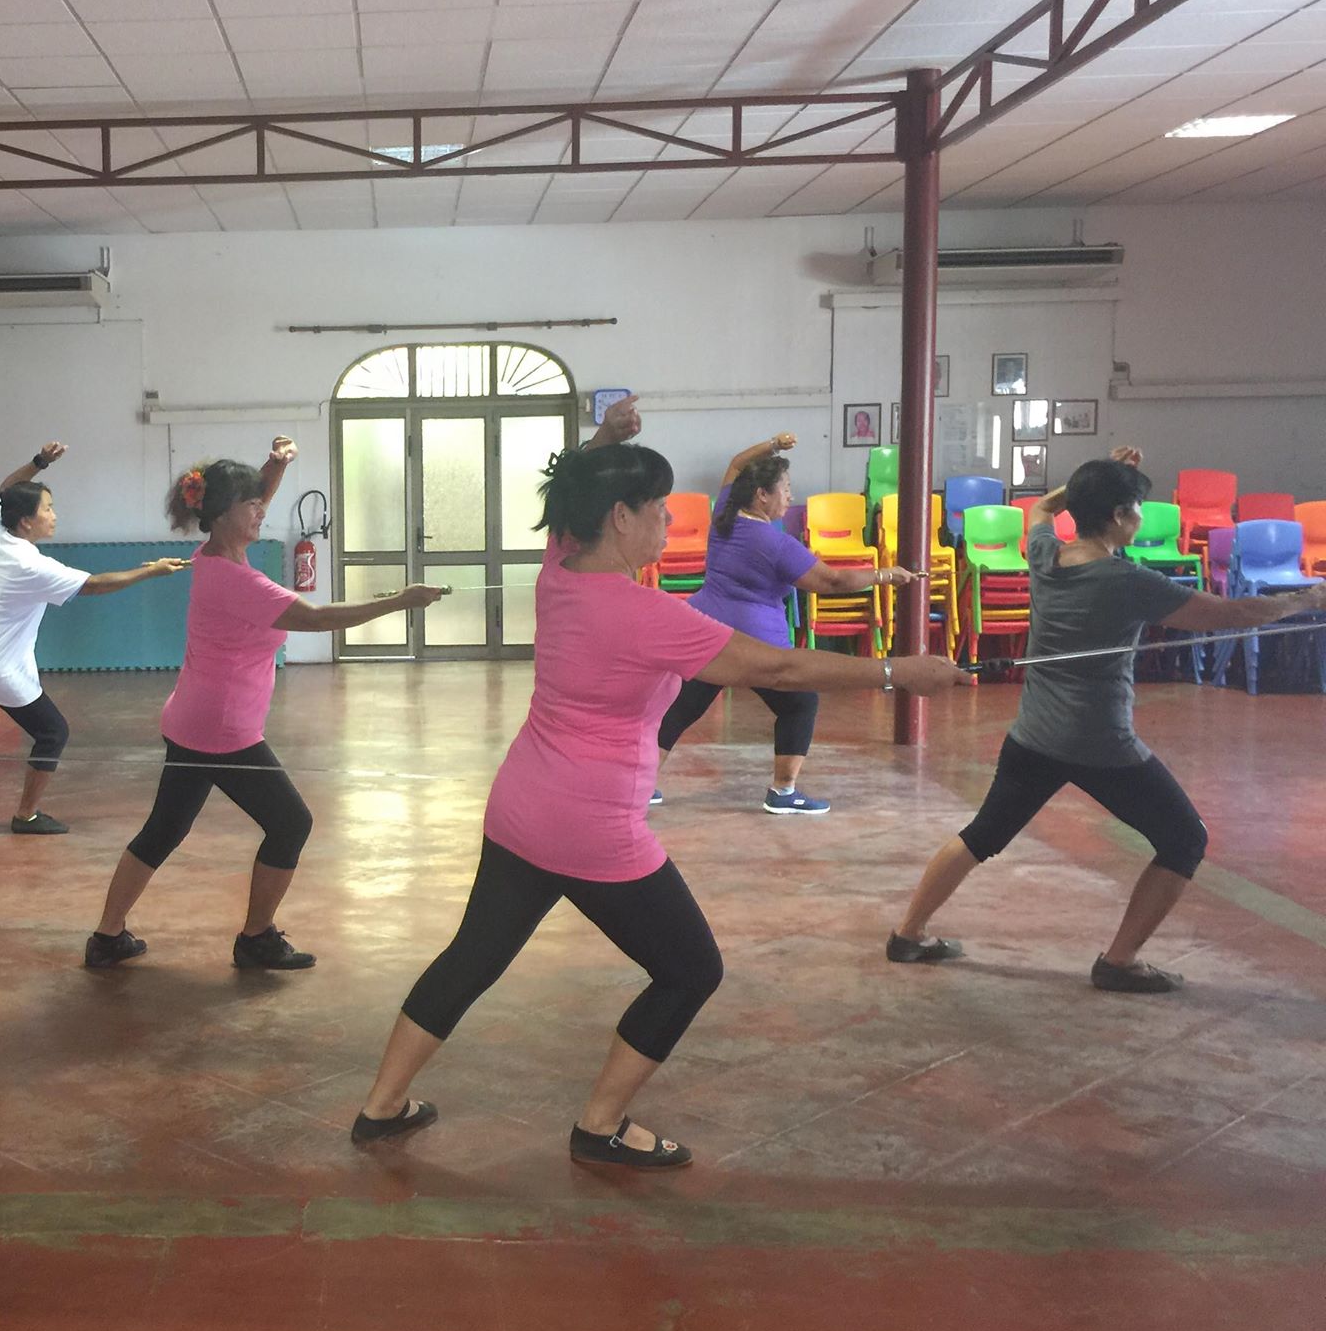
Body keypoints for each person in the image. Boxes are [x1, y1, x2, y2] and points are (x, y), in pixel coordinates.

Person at [350, 397, 969, 1167]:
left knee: (471, 957)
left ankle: (382, 1107)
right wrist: (898, 672)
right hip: (593, 827)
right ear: (620, 517)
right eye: (657, 509)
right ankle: (601, 1125)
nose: (670, 523)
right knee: (690, 970)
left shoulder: (559, 571)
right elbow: (777, 667)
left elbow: (572, 496)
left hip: (521, 808)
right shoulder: (645, 614)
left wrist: (605, 439)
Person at [887, 447, 1326, 992]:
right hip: (1101, 744)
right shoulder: (1127, 580)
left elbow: (1043, 510)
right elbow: (1230, 613)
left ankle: (908, 933)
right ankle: (1119, 962)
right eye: (1136, 507)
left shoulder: (1045, 553)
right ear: (1119, 516)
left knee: (982, 836)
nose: (1141, 516)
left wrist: (1092, 479)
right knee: (1185, 840)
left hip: (1033, 736)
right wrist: (1309, 600)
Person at [86, 436, 442, 971]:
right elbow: (317, 619)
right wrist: (400, 601)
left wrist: (275, 466)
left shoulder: (215, 553)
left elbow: (255, 500)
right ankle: (256, 938)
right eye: (251, 505)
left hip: (192, 718)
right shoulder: (236, 580)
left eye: (260, 501)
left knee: (164, 829)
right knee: (291, 823)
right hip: (221, 730)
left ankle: (107, 937)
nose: (261, 511)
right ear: (221, 513)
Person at [0, 440, 189, 837]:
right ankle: (27, 815)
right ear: (26, 522)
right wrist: (151, 571)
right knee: (53, 732)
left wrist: (39, 463)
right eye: (47, 509)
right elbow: (95, 585)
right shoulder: (29, 564)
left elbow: (7, 488)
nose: (54, 516)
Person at [656, 434, 920, 815]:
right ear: (762, 495)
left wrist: (773, 444)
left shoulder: (725, 513)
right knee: (800, 703)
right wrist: (884, 575)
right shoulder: (776, 544)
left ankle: (641, 783)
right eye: (785, 489)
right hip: (755, 646)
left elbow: (736, 462)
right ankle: (783, 791)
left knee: (682, 708)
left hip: (707, 633)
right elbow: (832, 582)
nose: (790, 497)